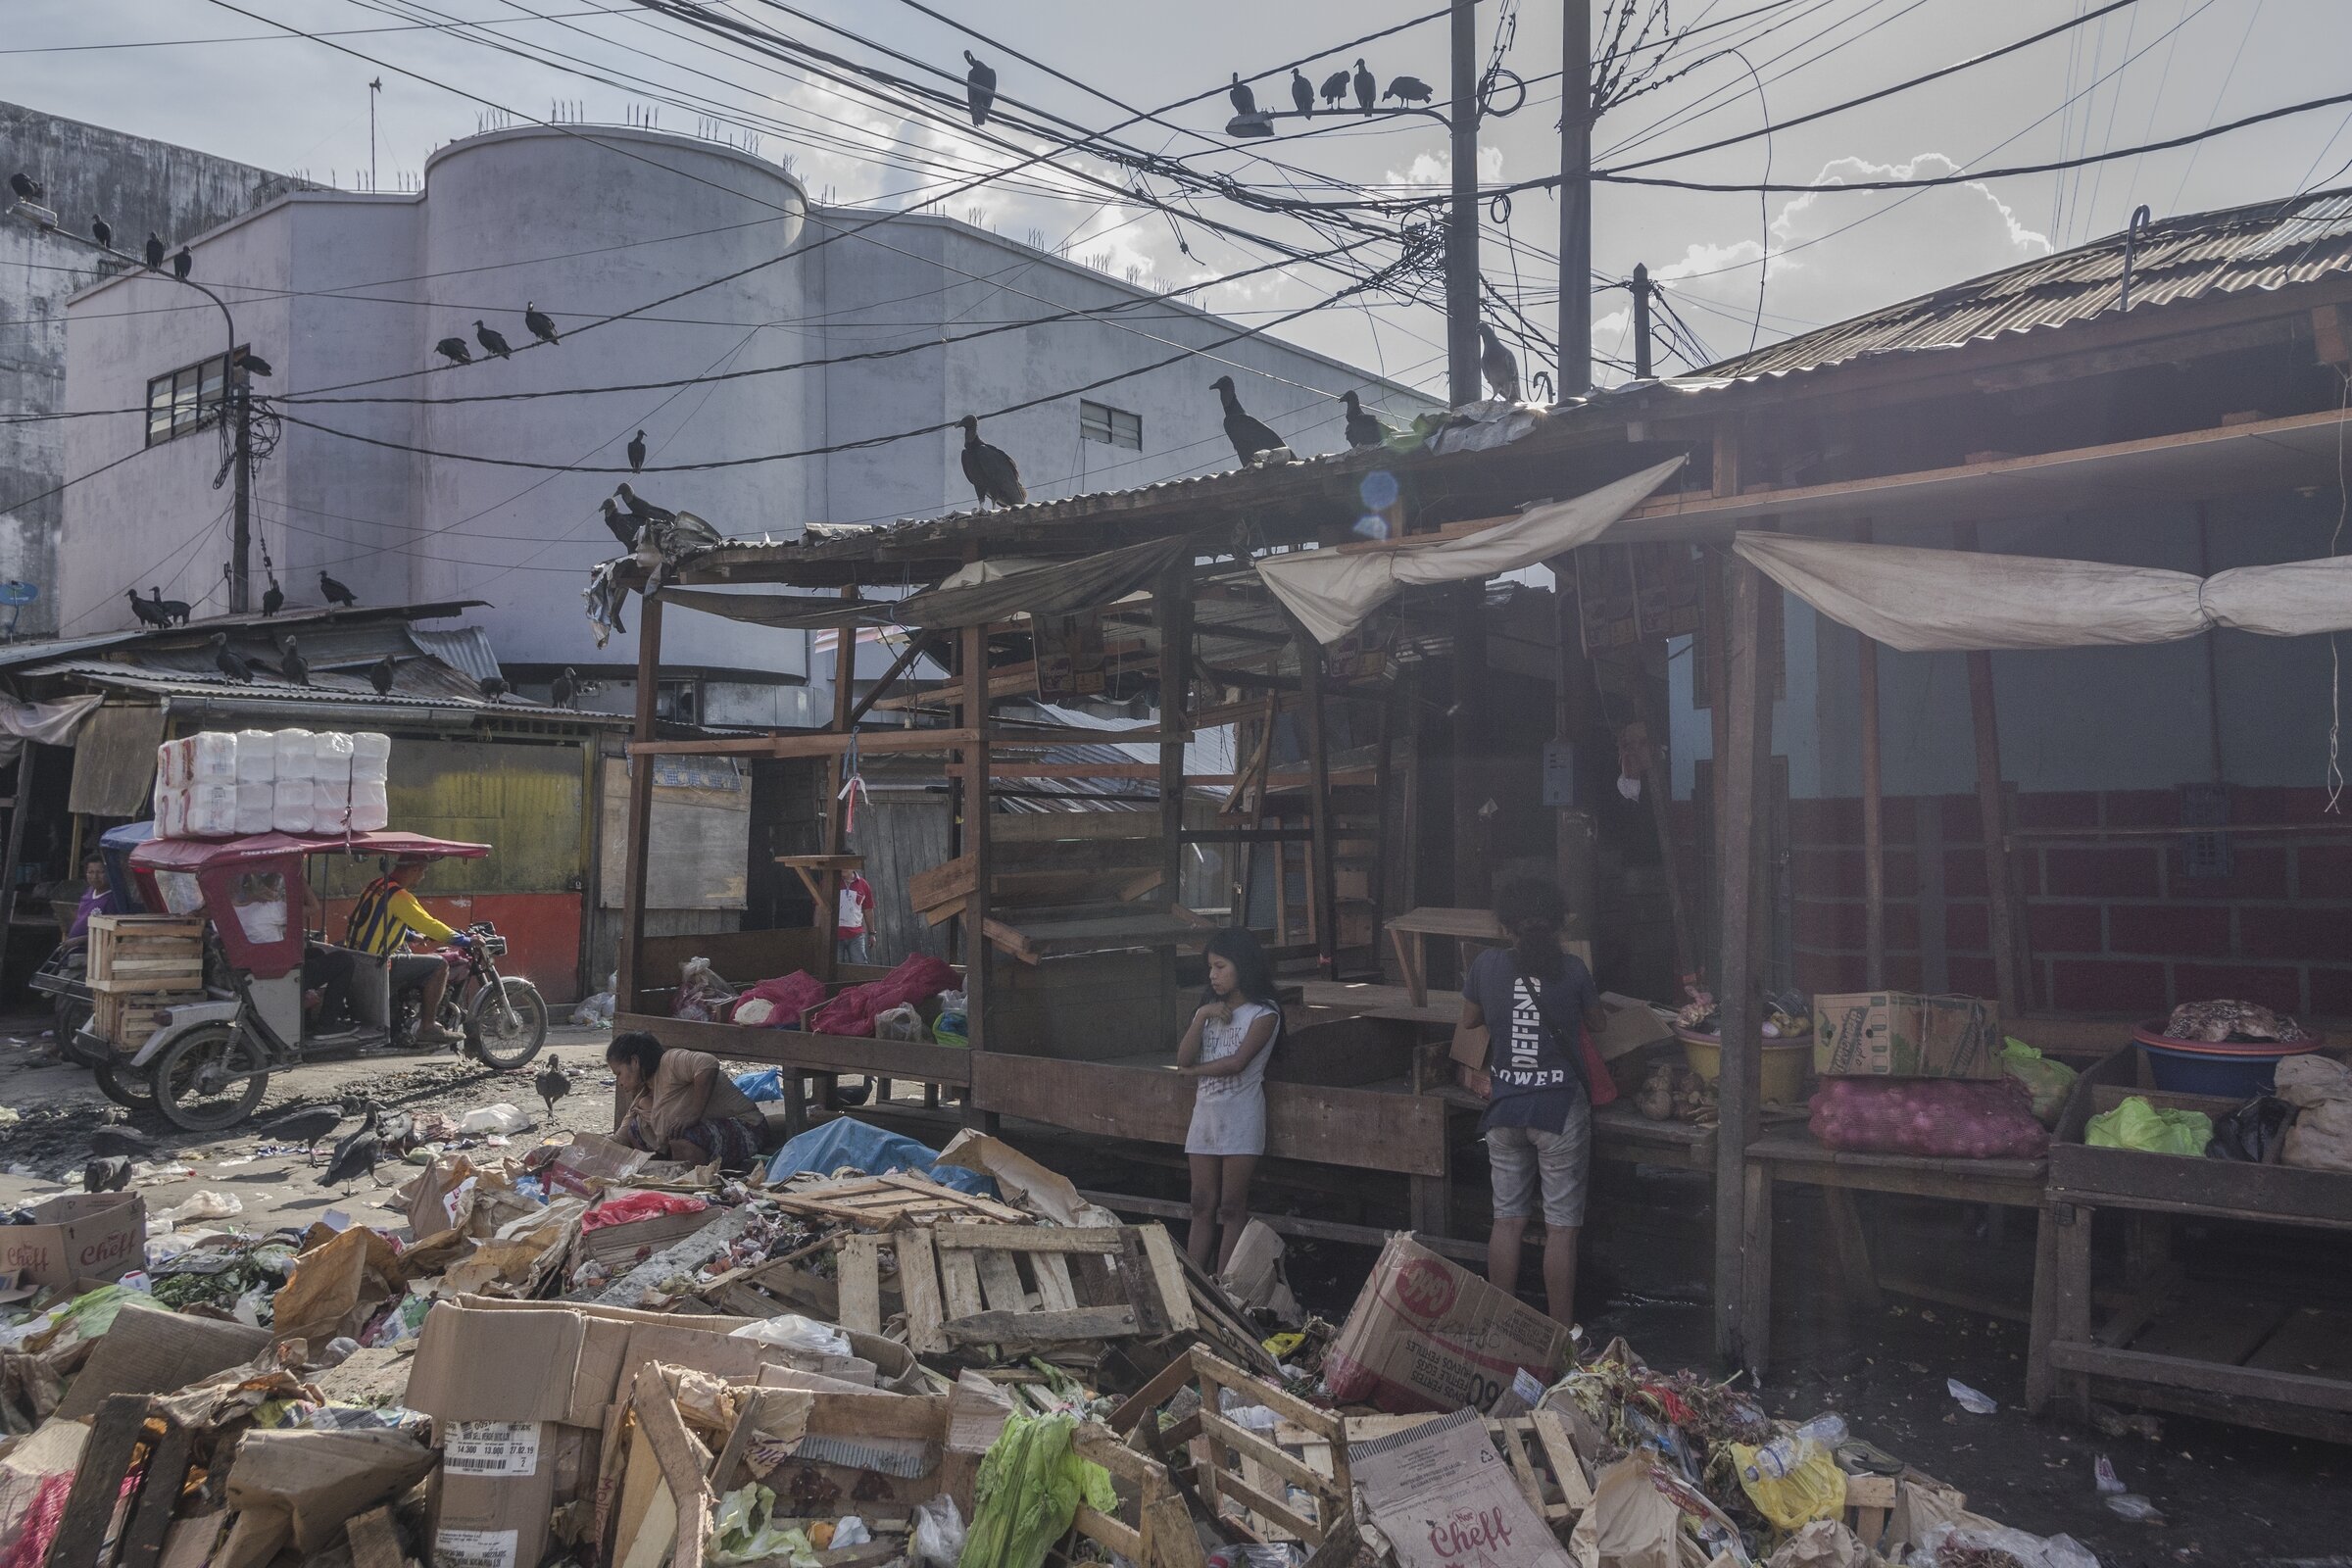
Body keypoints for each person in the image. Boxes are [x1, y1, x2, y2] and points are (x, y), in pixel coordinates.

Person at [1460, 877, 1605, 1328]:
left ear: (1505, 927)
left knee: (1507, 1222)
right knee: (1561, 1229)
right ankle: (1560, 1335)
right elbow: (1597, 1023)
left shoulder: (1485, 965)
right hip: (1558, 1111)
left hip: (1505, 1108)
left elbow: (1469, 1021)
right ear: (1561, 924)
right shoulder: (1574, 970)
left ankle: (1501, 1329)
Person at [1176, 926, 1282, 1271]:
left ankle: (1224, 1287)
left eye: (1220, 966)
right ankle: (1194, 1280)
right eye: (1210, 968)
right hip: (1205, 1118)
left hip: (1242, 1118)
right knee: (1200, 1202)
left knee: (1232, 1207)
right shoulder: (1208, 1010)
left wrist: (1193, 1074)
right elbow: (1183, 1058)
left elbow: (1238, 1064)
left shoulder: (1264, 1013)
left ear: (1243, 965)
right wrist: (1202, 1015)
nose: (1213, 975)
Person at [347, 858, 466, 1045]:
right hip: (375, 964)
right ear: (415, 869)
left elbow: (379, 921)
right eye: (423, 872)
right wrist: (465, 940)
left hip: (357, 957)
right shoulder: (400, 896)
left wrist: (411, 936)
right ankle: (428, 1027)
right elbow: (430, 925)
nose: (423, 877)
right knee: (439, 965)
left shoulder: (376, 885)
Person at [608, 1029, 765, 1168]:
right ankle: (666, 1174)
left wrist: (693, 1113)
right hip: (709, 1134)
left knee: (680, 1135)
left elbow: (707, 1063)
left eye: (619, 1073)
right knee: (636, 1128)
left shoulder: (670, 1061)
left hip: (748, 1127)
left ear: (634, 1062)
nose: (619, 1082)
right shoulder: (643, 1091)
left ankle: (692, 1182)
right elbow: (620, 1138)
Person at [64, 855, 115, 946]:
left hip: (90, 952)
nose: (95, 877)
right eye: (90, 872)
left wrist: (81, 940)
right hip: (72, 949)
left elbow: (110, 933)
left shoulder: (112, 900)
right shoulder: (88, 892)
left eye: (100, 872)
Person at [836, 870, 876, 965]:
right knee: (833, 969)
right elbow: (820, 908)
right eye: (841, 864)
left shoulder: (863, 884)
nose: (843, 867)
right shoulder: (830, 883)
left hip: (856, 936)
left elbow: (868, 910)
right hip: (834, 935)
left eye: (847, 864)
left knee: (860, 968)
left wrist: (872, 934)